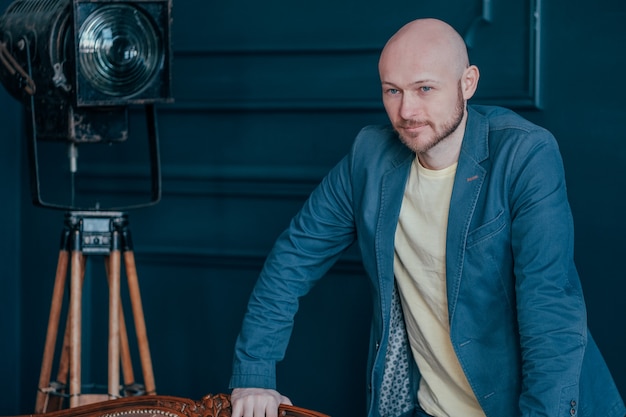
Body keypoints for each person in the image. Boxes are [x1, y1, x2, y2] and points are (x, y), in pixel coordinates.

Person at [228, 18, 626, 417]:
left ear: (467, 83)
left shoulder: (524, 156)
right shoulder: (370, 157)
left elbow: (550, 312)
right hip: (428, 408)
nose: (406, 110)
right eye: (392, 90)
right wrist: (254, 372)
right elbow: (294, 257)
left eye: (424, 88)